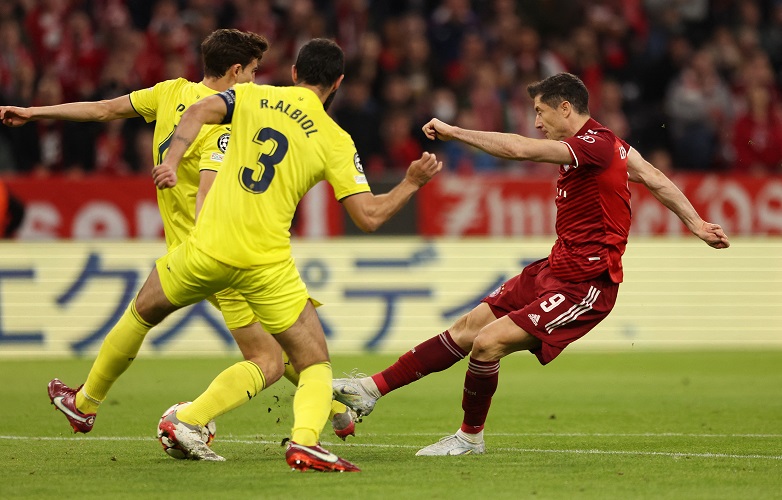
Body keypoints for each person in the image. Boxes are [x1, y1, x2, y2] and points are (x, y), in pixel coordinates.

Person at [67, 37, 441, 471]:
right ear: (338, 82)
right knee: (312, 360)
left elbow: (200, 109)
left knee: (141, 313)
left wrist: (173, 157)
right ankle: (304, 441)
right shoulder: (335, 139)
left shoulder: (252, 95)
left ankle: (87, 400)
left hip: (206, 246)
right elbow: (369, 217)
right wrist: (411, 182)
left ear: (295, 73)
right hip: (265, 262)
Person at [333, 72, 730, 456]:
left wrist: (454, 132)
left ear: (564, 108)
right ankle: (371, 390)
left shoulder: (595, 144)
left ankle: (470, 439)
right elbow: (655, 177)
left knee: (487, 344)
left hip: (587, 284)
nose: (537, 121)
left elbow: (519, 149)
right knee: (469, 327)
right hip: (554, 268)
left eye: (541, 112)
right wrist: (696, 222)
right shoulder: (614, 146)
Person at [0, 30, 351, 457]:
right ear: (236, 72)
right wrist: (215, 242)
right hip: (219, 254)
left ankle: (85, 403)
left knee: (259, 337)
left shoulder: (169, 94)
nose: (258, 83)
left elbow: (103, 109)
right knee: (271, 358)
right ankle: (189, 419)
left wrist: (35, 112)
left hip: (188, 253)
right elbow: (209, 190)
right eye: (254, 73)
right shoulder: (227, 124)